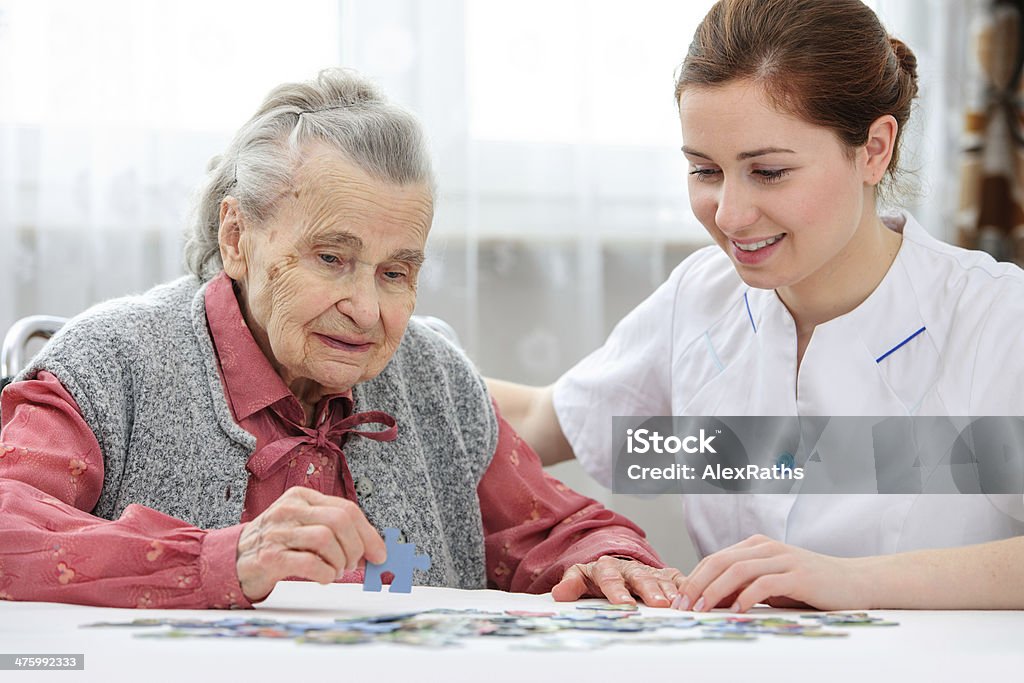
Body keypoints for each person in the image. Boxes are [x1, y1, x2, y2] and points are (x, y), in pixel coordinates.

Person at [0, 69, 685, 610]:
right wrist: (220, 558)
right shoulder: (110, 363)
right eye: (331, 257)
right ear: (237, 237)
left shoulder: (435, 377)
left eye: (396, 271)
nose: (366, 309)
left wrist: (611, 560)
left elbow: (553, 530)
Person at [488, 0, 1024, 612]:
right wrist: (375, 355)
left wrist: (852, 582)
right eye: (705, 170)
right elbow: (536, 423)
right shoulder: (703, 298)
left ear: (874, 149)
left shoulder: (997, 321)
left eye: (768, 172)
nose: (729, 215)